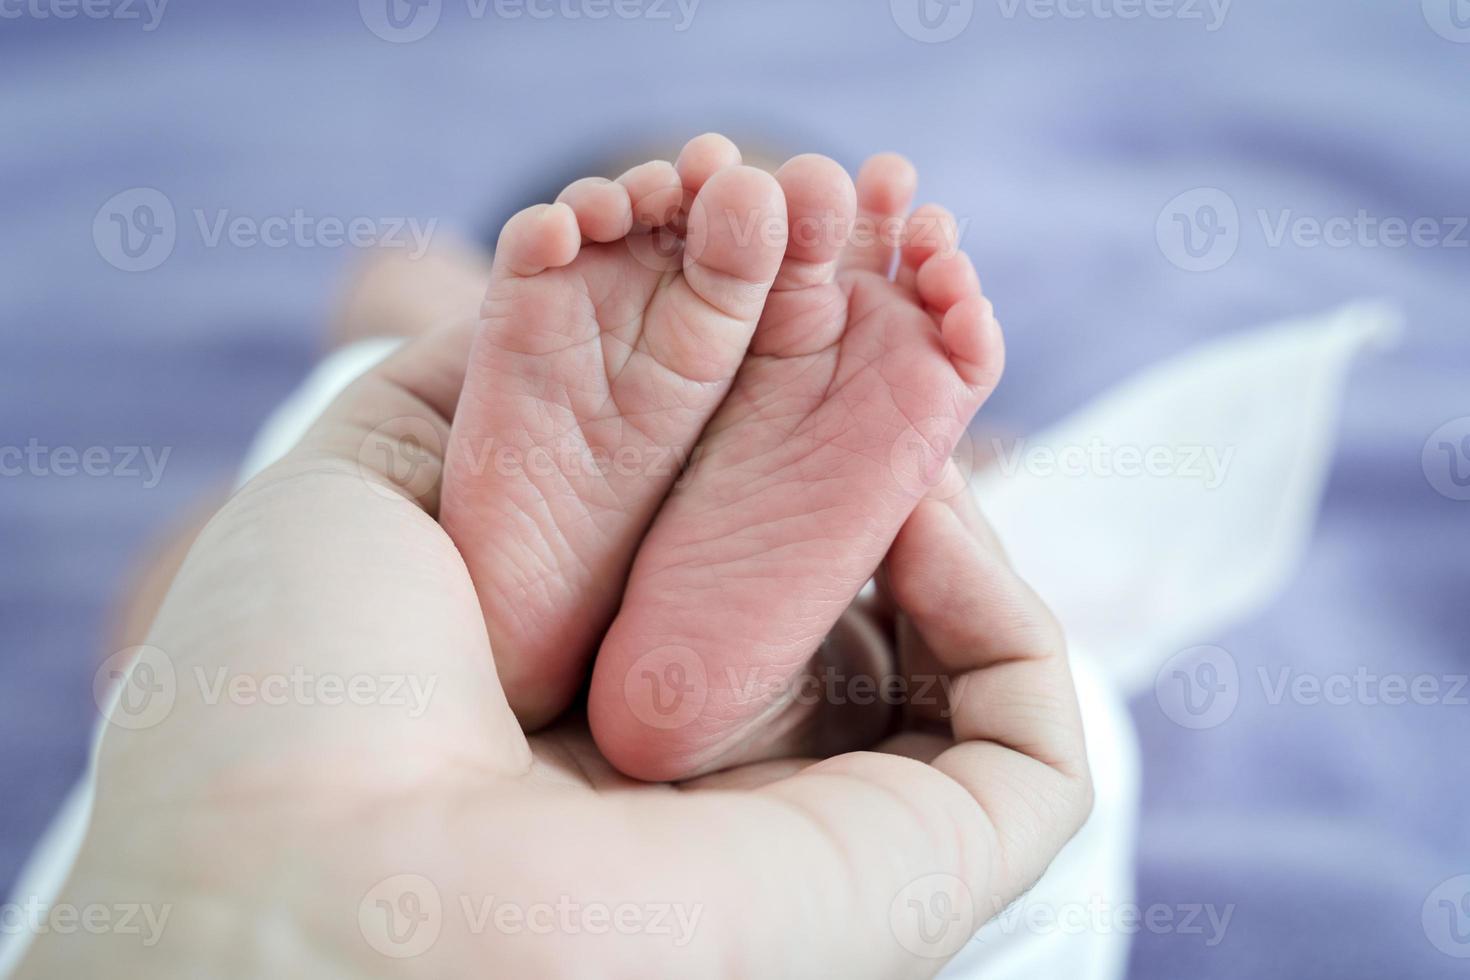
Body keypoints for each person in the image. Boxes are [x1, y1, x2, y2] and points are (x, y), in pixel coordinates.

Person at [12, 136, 1092, 978]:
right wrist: (963, 463)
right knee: (938, 653)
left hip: (265, 804)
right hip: (858, 854)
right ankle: (780, 707)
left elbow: (387, 275)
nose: (740, 257)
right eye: (693, 252)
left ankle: (557, 614)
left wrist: (405, 301)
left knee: (233, 558)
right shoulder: (941, 469)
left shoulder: (443, 327)